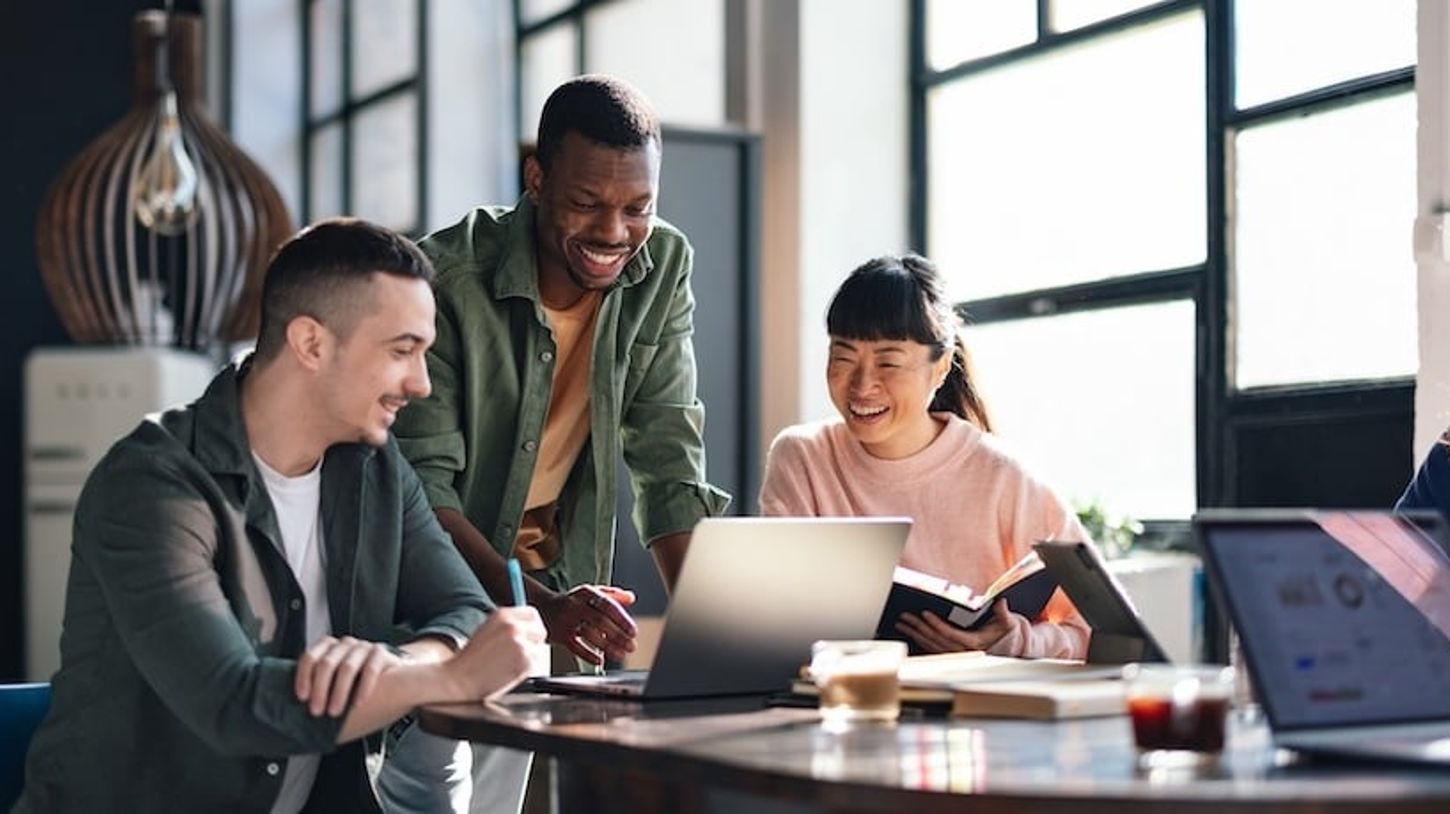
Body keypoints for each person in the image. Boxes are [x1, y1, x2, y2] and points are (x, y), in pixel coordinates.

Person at [15, 219, 546, 813]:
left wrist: (399, 662)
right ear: (311, 343)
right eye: (403, 351)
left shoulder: (375, 470)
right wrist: (446, 680)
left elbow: (468, 609)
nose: (421, 383)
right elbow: (235, 705)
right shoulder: (151, 486)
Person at [393, 74, 730, 664]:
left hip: (560, 582)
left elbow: (667, 456)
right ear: (537, 180)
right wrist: (537, 607)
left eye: (638, 208)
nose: (613, 232)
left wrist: (719, 641)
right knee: (432, 755)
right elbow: (423, 491)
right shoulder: (444, 281)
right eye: (585, 203)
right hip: (443, 592)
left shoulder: (663, 265)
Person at [758, 254, 1089, 659]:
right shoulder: (803, 457)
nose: (863, 385)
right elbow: (776, 619)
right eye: (843, 357)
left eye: (889, 362)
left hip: (974, 710)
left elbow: (1103, 636)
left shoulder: (1006, 478)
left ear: (940, 367)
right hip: (843, 704)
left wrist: (1013, 641)